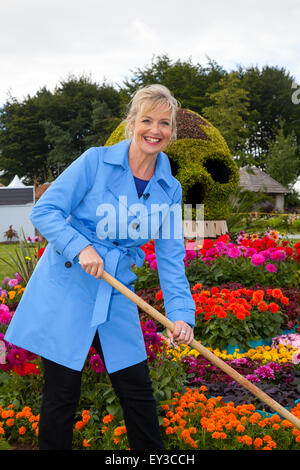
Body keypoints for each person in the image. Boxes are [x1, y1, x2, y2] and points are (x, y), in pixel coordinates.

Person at [4, 84, 196, 450]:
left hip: (115, 292)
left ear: (172, 132)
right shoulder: (94, 161)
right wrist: (81, 247)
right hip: (70, 286)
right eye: (147, 120)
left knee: (137, 391)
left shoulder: (170, 189)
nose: (155, 130)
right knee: (61, 394)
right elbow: (44, 211)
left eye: (164, 123)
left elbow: (172, 258)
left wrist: (181, 315)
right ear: (131, 124)